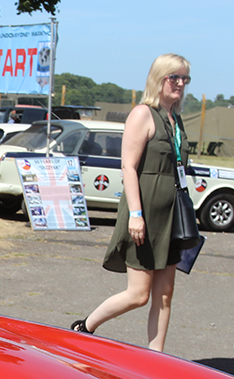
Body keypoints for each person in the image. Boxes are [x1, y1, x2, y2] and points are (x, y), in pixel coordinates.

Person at [72, 54, 199, 351]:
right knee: (139, 294)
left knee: (165, 294)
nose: (180, 84)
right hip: (145, 212)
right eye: (174, 78)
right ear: (159, 79)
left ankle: (156, 360)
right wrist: (136, 214)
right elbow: (128, 166)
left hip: (171, 216)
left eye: (185, 79)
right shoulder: (143, 114)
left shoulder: (175, 118)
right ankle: (86, 325)